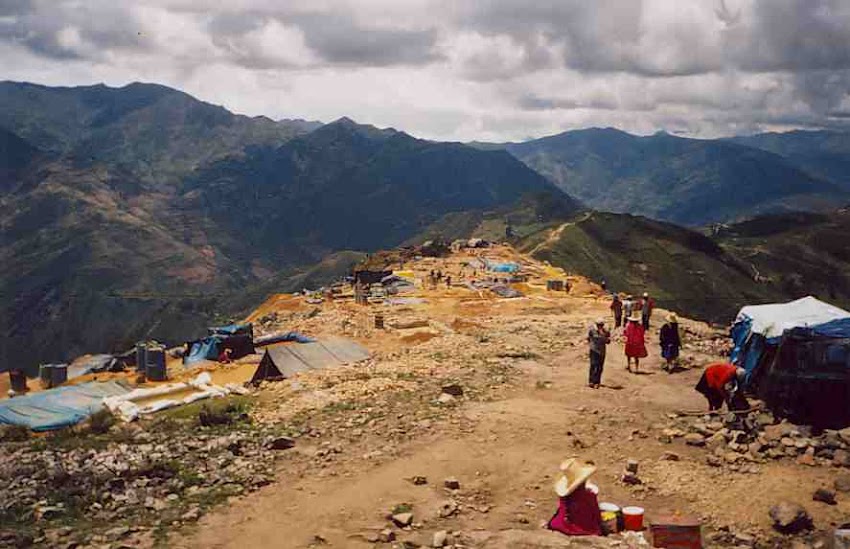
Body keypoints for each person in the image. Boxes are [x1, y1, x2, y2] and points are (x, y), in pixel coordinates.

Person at [547, 459, 602, 536]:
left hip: (562, 525)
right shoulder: (589, 496)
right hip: (583, 529)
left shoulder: (564, 496)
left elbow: (562, 509)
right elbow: (597, 517)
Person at [587, 319, 610, 389]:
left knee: (599, 367)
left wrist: (604, 336)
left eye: (601, 325)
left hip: (602, 351)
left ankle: (597, 382)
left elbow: (608, 341)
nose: (600, 326)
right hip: (594, 350)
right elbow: (588, 338)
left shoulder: (605, 331)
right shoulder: (592, 330)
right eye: (599, 325)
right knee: (593, 365)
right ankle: (591, 381)